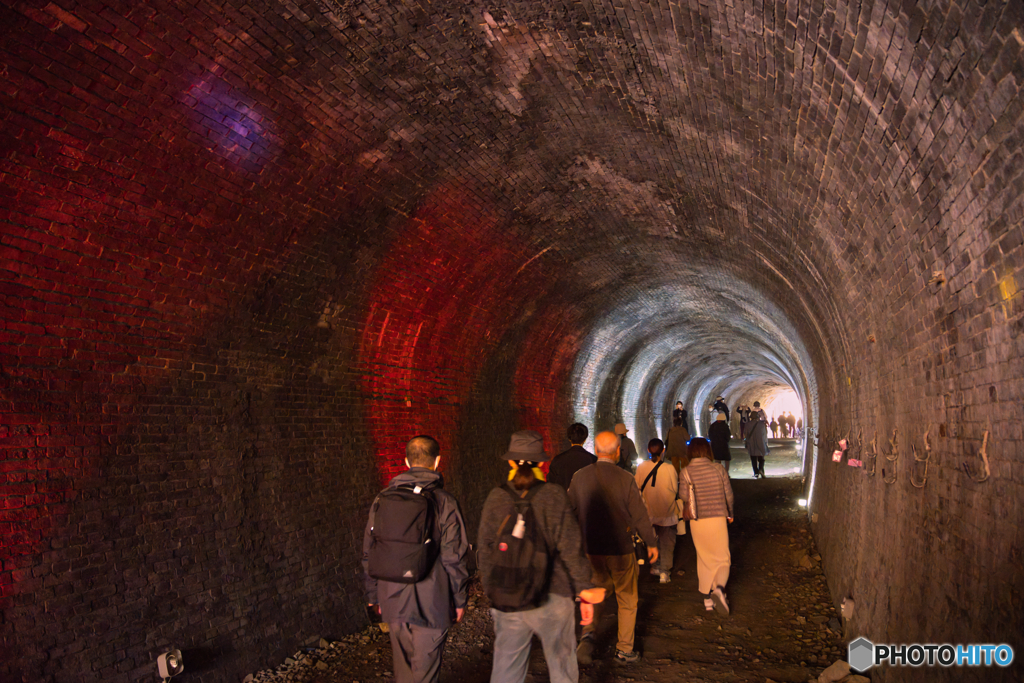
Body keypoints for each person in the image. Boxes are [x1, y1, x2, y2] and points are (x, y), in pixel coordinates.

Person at [478, 430, 606, 683]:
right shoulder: (554, 495)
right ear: (542, 463)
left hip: (509, 594)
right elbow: (570, 547)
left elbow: (485, 549)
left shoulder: (497, 497)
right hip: (554, 593)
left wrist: (492, 588)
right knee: (562, 666)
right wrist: (584, 591)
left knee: (507, 668)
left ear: (511, 462)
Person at [363, 436, 470, 683]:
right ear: (437, 461)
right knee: (426, 672)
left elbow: (369, 550)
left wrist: (373, 595)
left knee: (403, 670)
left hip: (391, 595)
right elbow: (454, 556)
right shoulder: (445, 502)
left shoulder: (382, 498)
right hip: (432, 599)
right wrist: (459, 599)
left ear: (406, 461)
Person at [568, 431, 658, 664]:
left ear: (596, 450)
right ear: (618, 451)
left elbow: (570, 511)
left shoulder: (579, 477)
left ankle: (588, 635)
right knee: (627, 598)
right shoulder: (625, 478)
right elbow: (639, 514)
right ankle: (624, 649)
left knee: (593, 594)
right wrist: (651, 542)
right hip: (622, 548)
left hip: (590, 549)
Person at [680, 438, 734, 615]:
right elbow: (728, 494)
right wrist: (730, 512)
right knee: (722, 558)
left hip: (698, 521)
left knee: (704, 557)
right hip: (717, 517)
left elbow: (684, 496)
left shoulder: (686, 472)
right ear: (707, 451)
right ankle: (718, 589)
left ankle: (707, 601)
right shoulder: (718, 468)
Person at [633, 438, 678, 583]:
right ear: (663, 450)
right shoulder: (669, 468)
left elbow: (636, 487)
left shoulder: (641, 468)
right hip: (667, 512)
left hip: (649, 512)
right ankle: (665, 572)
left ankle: (655, 566)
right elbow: (675, 489)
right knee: (667, 543)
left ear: (647, 450)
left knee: (652, 541)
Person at [548, 423, 596, 489]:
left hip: (563, 498)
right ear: (585, 439)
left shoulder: (558, 460)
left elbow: (551, 484)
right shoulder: (593, 460)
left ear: (569, 438)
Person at [744, 408, 769, 478]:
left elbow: (745, 434)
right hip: (760, 443)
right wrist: (766, 443)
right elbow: (764, 435)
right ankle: (761, 469)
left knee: (753, 459)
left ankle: (756, 473)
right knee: (761, 458)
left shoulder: (747, 425)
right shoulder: (762, 425)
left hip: (751, 444)